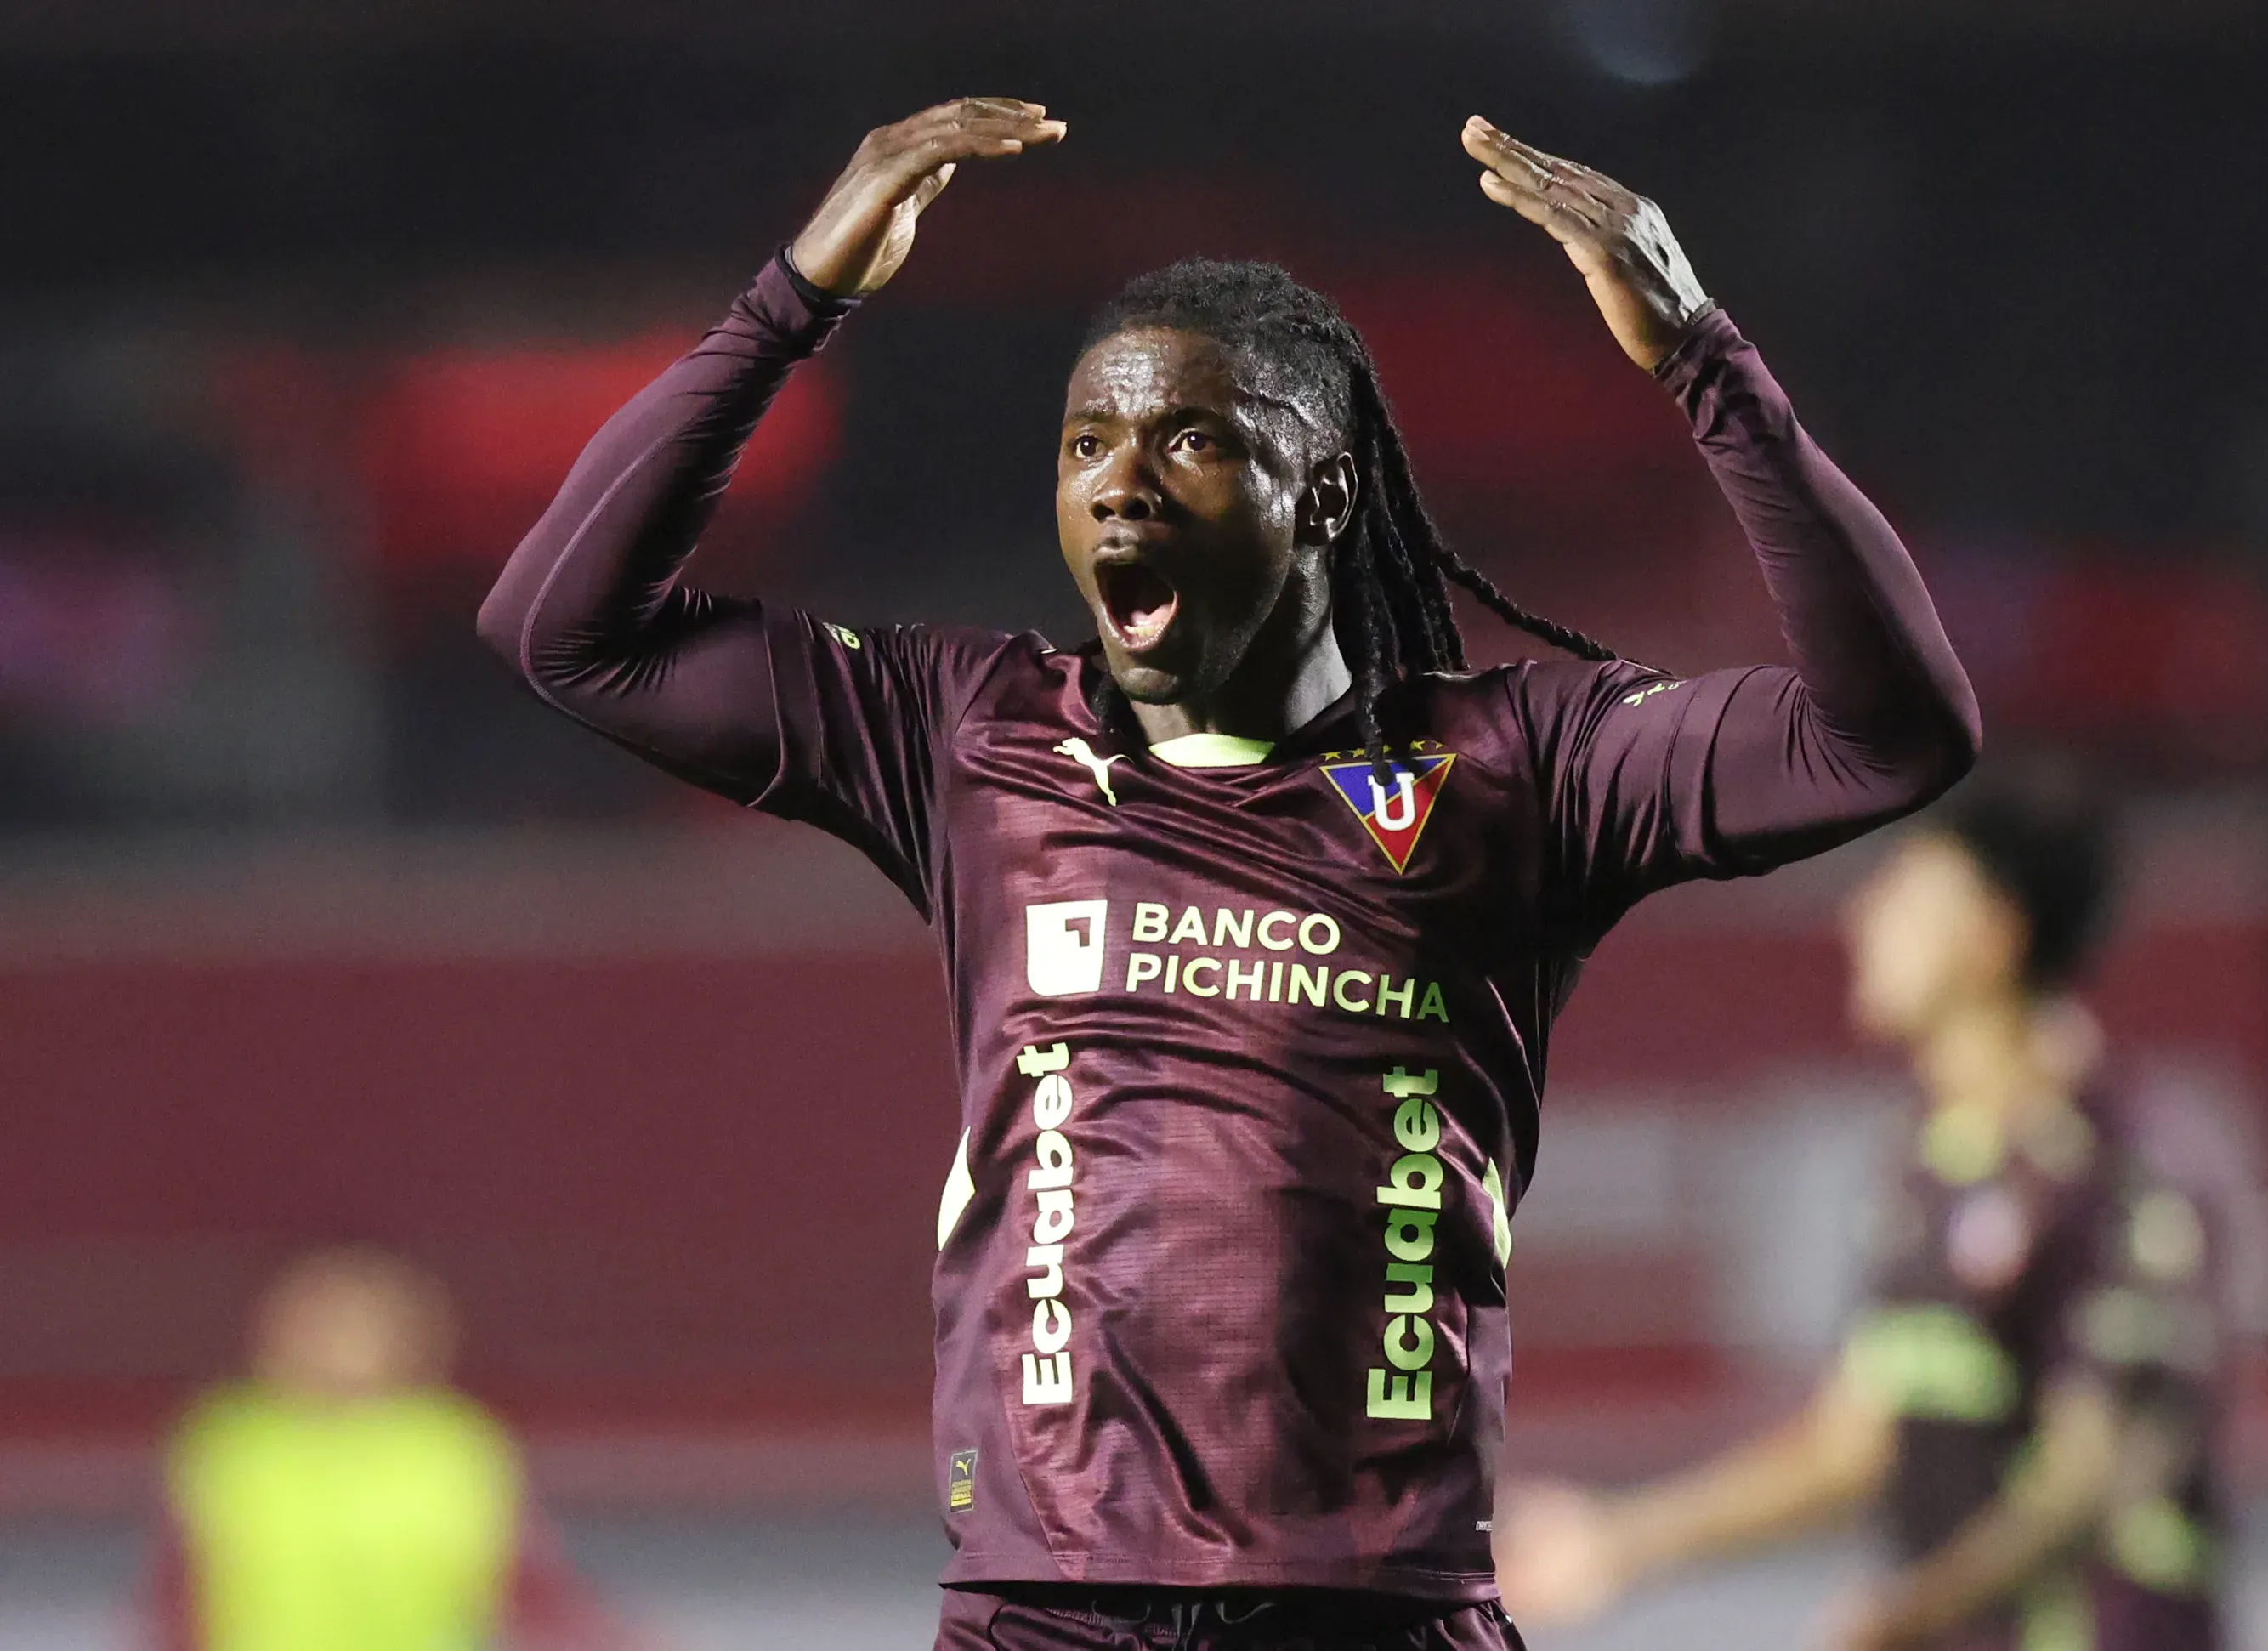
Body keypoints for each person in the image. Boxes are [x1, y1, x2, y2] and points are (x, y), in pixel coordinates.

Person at [479, 96, 1979, 1648]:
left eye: (1191, 437)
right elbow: (561, 629)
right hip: (1044, 1608)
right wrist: (794, 302)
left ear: (1323, 495)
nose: (1120, 480)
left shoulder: (1519, 768)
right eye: (1086, 442)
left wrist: (1701, 362)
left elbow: (1892, 736)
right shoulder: (967, 735)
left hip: (1376, 1609)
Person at [1495, 776, 2228, 1651]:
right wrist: (1617, 1541)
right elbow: (1853, 1445)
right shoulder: (1929, 1165)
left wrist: (1902, 1615)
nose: (1862, 918)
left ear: (1991, 935)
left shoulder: (2114, 1170)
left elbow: (2088, 1482)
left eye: (1906, 896)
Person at [147, 1249, 640, 1651]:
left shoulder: (453, 1446)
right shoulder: (230, 1443)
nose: (335, 1348)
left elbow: (525, 1586)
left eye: (358, 1329)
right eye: (318, 1326)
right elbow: (179, 1592)